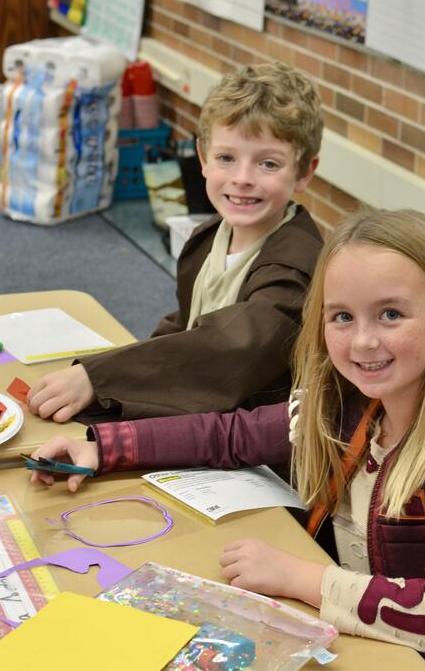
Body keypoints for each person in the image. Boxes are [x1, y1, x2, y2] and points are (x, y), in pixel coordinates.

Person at [32, 209, 425, 671]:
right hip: (352, 635)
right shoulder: (347, 402)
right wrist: (104, 448)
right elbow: (230, 435)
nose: (363, 342)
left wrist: (298, 578)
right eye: (342, 317)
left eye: (391, 314)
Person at [27, 61, 324, 424]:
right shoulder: (210, 236)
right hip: (207, 419)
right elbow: (187, 326)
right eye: (226, 158)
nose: (243, 178)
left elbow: (229, 348)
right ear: (202, 158)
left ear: (304, 172)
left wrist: (99, 378)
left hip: (258, 440)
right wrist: (107, 371)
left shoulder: (296, 270)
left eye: (269, 164)